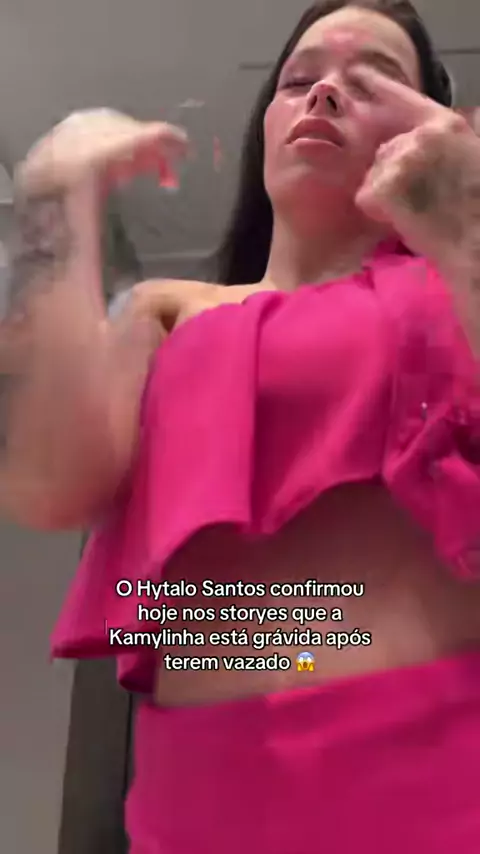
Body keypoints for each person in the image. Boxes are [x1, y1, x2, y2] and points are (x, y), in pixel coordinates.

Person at [2, 0, 480, 850]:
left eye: (374, 78)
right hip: (196, 794)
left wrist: (463, 222)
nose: (325, 92)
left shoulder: (452, 284)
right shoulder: (164, 312)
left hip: (436, 777)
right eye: (299, 79)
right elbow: (49, 482)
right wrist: (56, 194)